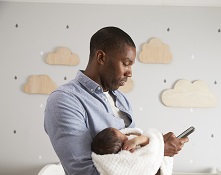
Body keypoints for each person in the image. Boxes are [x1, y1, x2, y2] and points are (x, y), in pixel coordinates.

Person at [44, 26, 189, 175]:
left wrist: (154, 146)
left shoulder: (121, 99)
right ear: (101, 57)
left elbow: (134, 155)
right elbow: (83, 172)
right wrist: (157, 150)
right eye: (126, 63)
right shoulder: (65, 100)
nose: (130, 72)